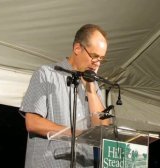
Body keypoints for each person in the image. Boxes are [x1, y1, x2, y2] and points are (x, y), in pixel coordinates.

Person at [19, 24, 111, 168]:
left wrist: (91, 89)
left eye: (101, 59)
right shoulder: (46, 74)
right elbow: (33, 123)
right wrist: (77, 134)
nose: (97, 64)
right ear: (77, 48)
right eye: (94, 56)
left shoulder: (94, 86)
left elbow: (104, 131)